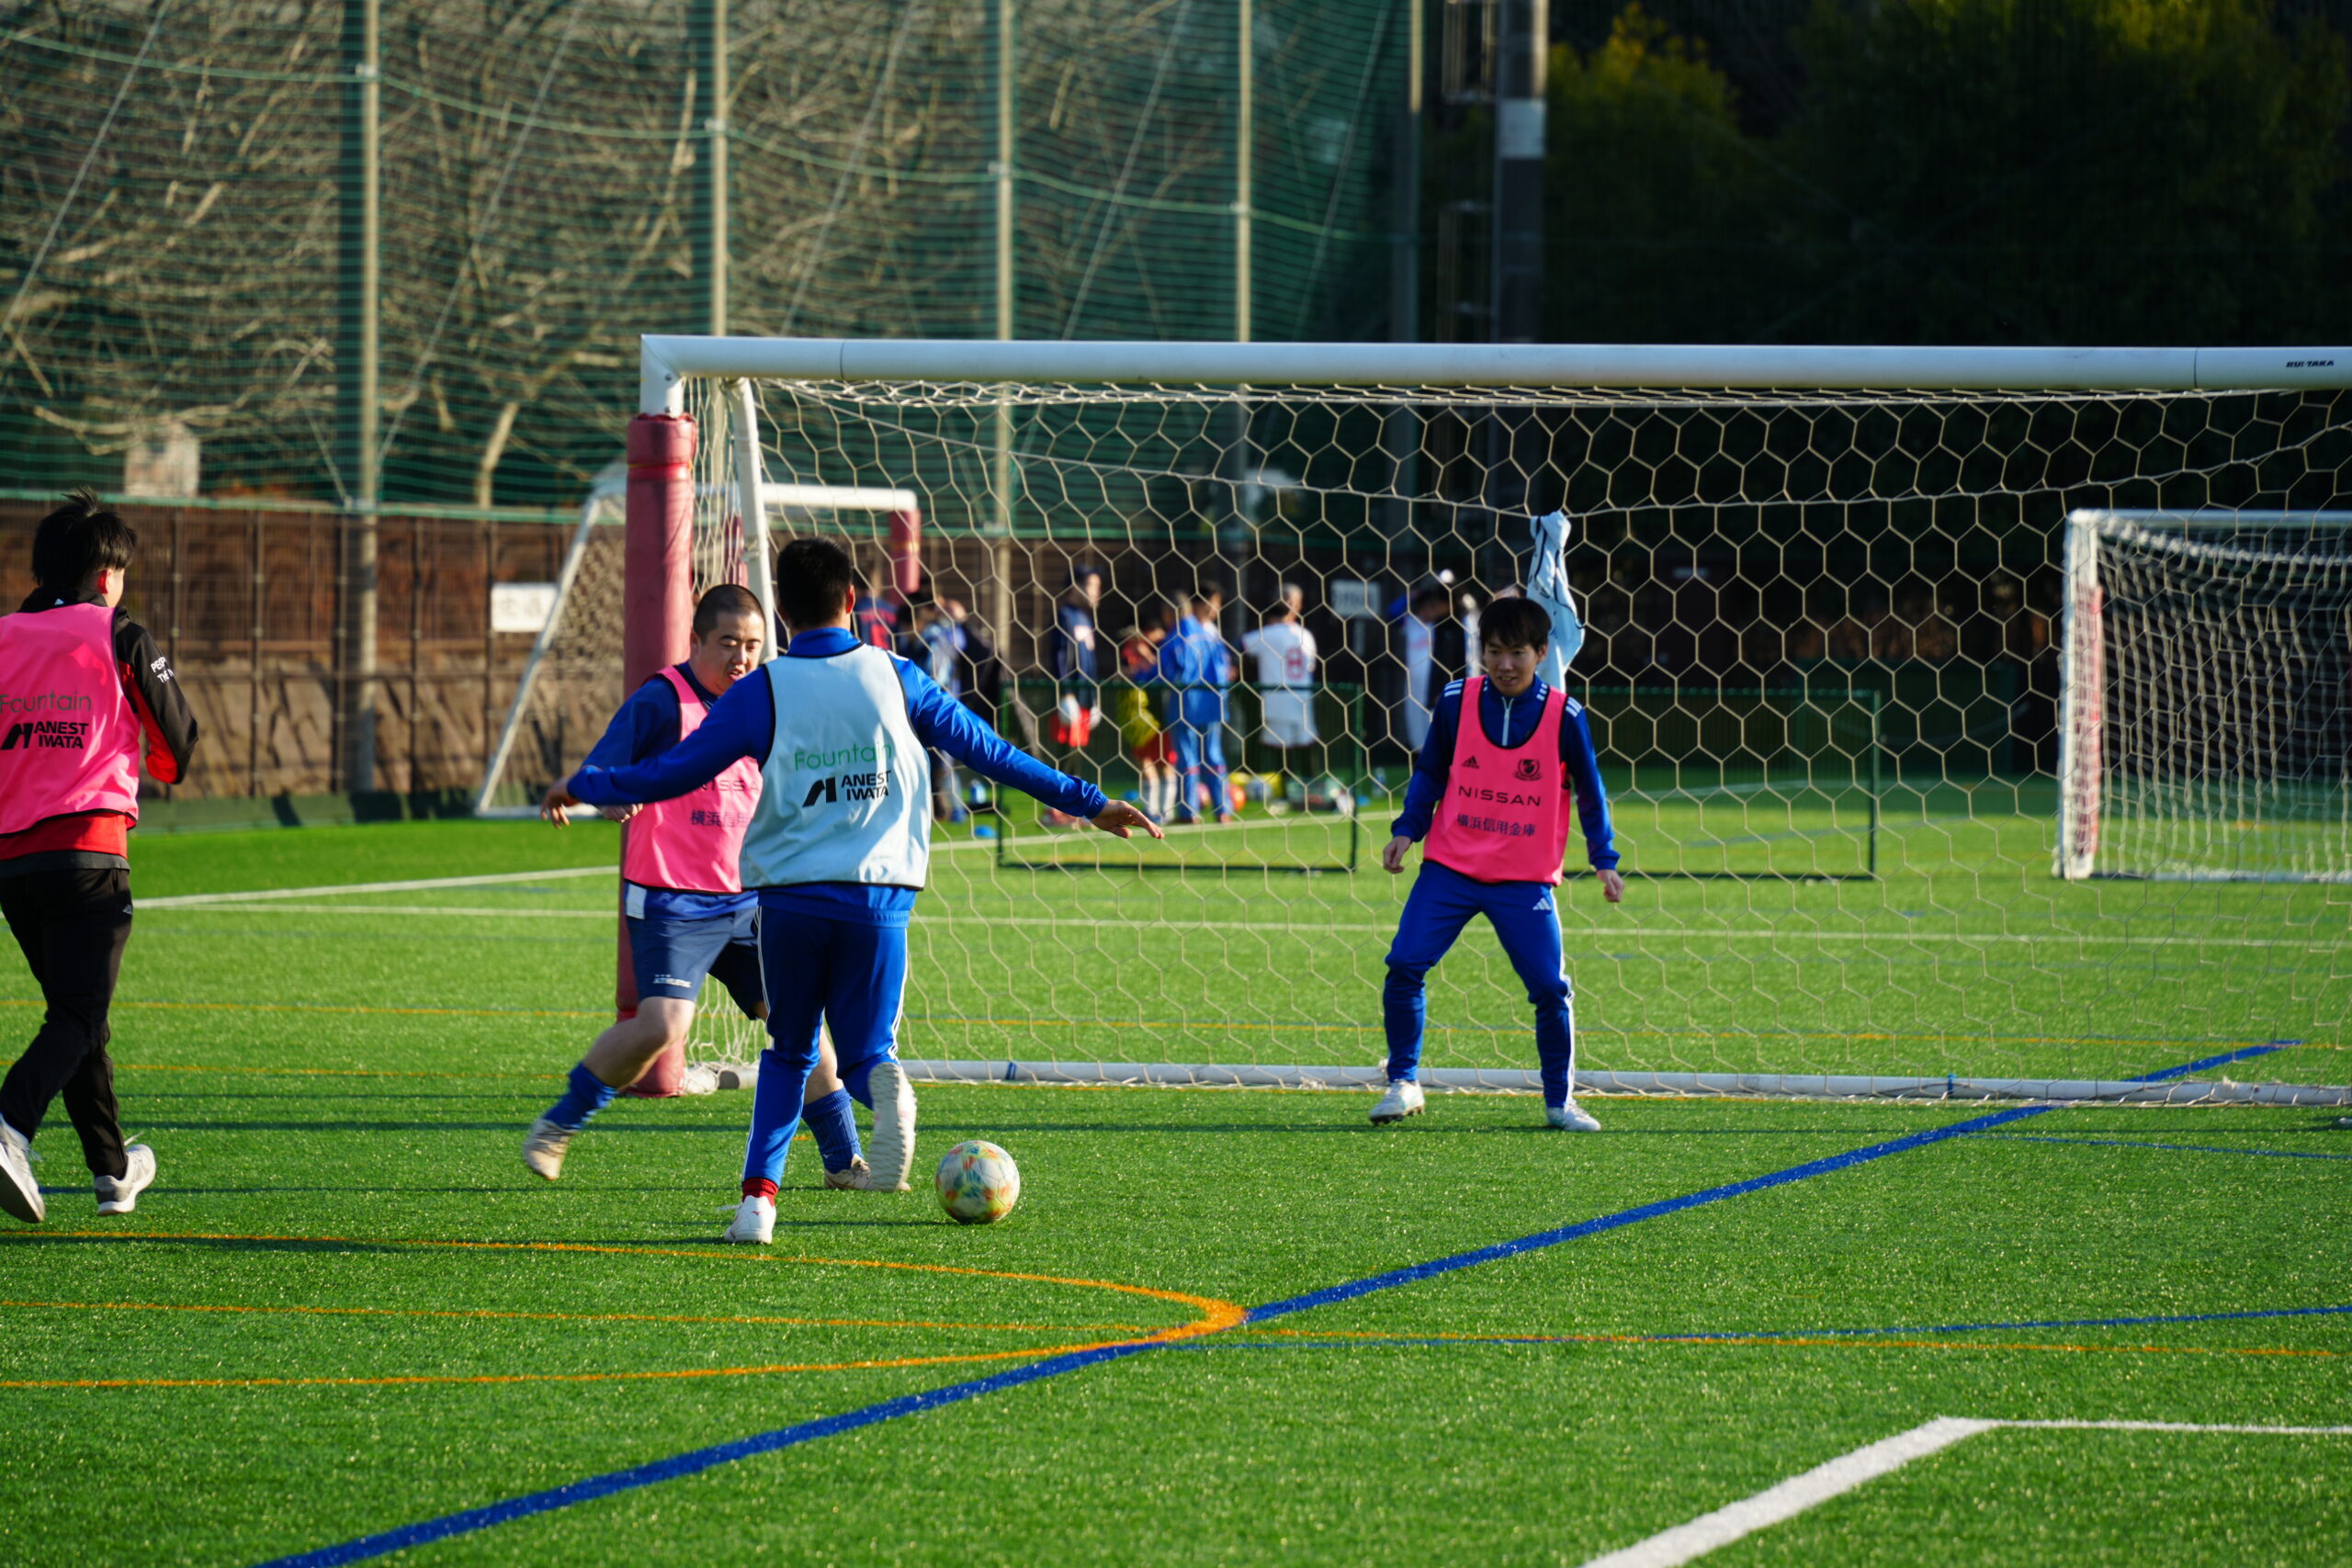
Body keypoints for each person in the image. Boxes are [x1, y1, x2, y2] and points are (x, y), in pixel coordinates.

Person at [544, 537, 1159, 1244]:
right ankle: (883, 1090)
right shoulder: (899, 676)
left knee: (789, 1051)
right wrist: (1089, 801)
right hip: (880, 896)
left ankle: (757, 1207)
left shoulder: (761, 690)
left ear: (782, 612)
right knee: (866, 1054)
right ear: (850, 602)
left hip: (790, 901)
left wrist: (585, 783)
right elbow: (990, 751)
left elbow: (672, 771)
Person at [526, 585, 870, 1188]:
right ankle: (558, 1125)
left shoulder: (766, 700)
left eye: (753, 645)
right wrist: (602, 794)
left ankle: (844, 1161)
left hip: (751, 897)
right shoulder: (662, 700)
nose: (742, 657)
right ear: (696, 641)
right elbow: (603, 765)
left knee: (798, 1022)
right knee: (662, 1026)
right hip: (670, 898)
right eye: (728, 643)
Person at [1374, 526, 1623, 1134]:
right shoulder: (1457, 699)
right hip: (1451, 868)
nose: (1504, 664)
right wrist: (1408, 828)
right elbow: (1431, 770)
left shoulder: (1564, 715)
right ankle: (1403, 1082)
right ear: (1481, 651)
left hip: (1523, 879)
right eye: (1493, 651)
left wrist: (1604, 858)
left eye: (1517, 652)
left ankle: (1559, 1102)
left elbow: (1590, 790)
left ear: (1541, 652)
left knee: (1549, 989)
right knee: (1404, 963)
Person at [0, 489, 198, 1225]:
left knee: (78, 1015)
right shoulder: (119, 634)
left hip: (13, 864)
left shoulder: (3, 635)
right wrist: (151, 763)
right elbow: (179, 741)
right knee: (81, 1013)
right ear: (106, 573)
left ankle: (113, 1171)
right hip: (88, 852)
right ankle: (9, 1125)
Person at [1155, 587, 1236, 824]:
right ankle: (1223, 809)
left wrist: (1139, 674)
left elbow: (1165, 673)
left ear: (1169, 612)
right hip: (1214, 703)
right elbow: (1225, 669)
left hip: (1185, 704)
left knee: (1187, 757)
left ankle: (1188, 811)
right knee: (1214, 755)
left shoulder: (1175, 637)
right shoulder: (1210, 635)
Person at [1115, 615, 1177, 822]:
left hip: (1161, 713)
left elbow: (1161, 672)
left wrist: (1146, 655)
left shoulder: (1164, 649)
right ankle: (1151, 809)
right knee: (1145, 761)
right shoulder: (1129, 651)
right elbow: (1124, 672)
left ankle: (1167, 811)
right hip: (1139, 715)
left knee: (1166, 762)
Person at [1240, 600, 1318, 756]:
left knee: (1278, 752)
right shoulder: (1305, 634)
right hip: (1302, 699)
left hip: (1278, 701)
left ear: (1270, 618)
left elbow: (1241, 644)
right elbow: (1311, 666)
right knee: (1305, 748)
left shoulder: (1269, 633)